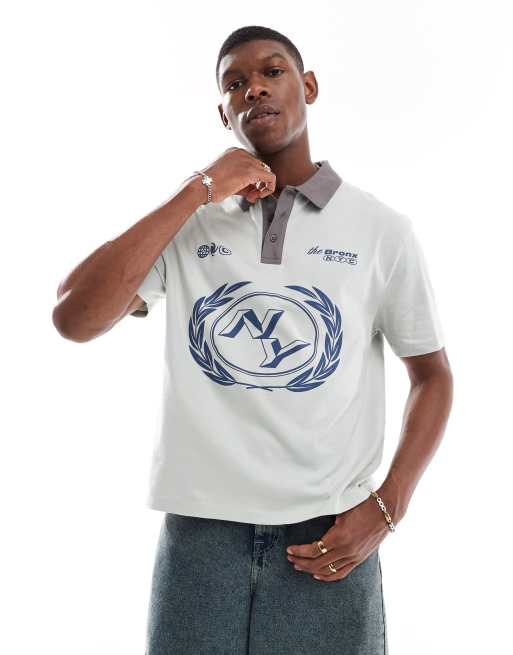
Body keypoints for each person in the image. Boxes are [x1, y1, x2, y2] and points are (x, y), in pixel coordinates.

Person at [53, 24, 454, 655]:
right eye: (235, 83)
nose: (255, 90)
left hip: (328, 540)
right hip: (200, 541)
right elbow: (74, 318)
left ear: (309, 86)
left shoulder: (380, 230)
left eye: (272, 72)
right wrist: (197, 189)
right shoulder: (189, 227)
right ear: (223, 113)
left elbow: (432, 376)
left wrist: (389, 506)